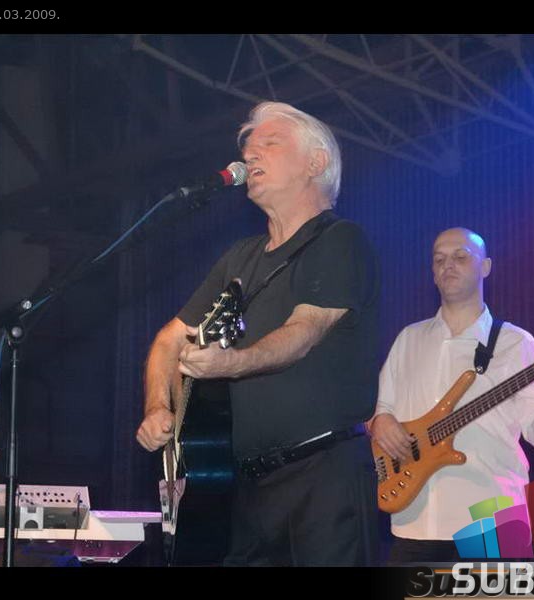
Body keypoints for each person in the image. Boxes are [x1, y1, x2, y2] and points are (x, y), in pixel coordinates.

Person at [135, 101, 381, 566]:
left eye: (270, 143)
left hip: (323, 477)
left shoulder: (340, 240)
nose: (250, 154)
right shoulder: (240, 256)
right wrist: (156, 407)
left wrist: (231, 363)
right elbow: (170, 338)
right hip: (249, 487)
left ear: (316, 163)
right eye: (248, 145)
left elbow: (304, 332)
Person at [370, 227, 534, 564]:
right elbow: (380, 410)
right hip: (415, 525)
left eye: (460, 256)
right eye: (439, 259)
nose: (448, 265)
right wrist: (380, 422)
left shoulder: (516, 343)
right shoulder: (408, 339)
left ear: (485, 267)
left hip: (492, 526)